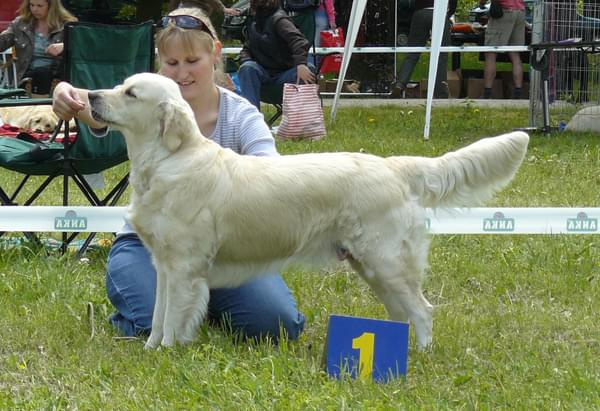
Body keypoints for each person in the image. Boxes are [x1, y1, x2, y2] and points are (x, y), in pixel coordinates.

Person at [52, 8, 305, 343]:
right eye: (171, 63)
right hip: (147, 246)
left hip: (228, 252)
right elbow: (97, 104)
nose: (181, 73)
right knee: (147, 321)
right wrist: (64, 91)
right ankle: (177, 306)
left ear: (215, 54)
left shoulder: (241, 116)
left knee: (275, 326)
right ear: (160, 63)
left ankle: (200, 301)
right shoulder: (144, 104)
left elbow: (272, 176)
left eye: (192, 60)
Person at [237, 0, 315, 109]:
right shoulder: (254, 22)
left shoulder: (279, 20)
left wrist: (301, 64)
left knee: (308, 69)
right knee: (247, 68)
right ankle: (251, 119)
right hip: (263, 73)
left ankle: (300, 121)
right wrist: (246, 60)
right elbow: (247, 48)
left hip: (285, 73)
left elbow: (299, 41)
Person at [0, 0, 76, 95]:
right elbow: (3, 41)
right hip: (26, 76)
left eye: (40, 6)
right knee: (40, 73)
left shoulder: (68, 25)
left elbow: (85, 49)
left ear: (51, 6)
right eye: (32, 5)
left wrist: (65, 46)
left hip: (57, 78)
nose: (35, 9)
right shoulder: (21, 23)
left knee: (42, 73)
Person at [395, 0, 457, 98]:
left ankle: (400, 84)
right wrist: (449, 13)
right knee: (441, 55)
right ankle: (440, 91)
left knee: (412, 53)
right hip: (439, 13)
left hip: (420, 13)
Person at [481, 0, 525, 99]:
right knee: (515, 54)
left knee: (490, 52)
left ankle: (487, 94)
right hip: (520, 11)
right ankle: (518, 93)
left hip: (504, 11)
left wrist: (482, 3)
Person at [312, 0, 336, 67]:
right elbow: (328, 2)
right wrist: (332, 19)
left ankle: (307, 71)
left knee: (308, 47)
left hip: (306, 16)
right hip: (320, 16)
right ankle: (314, 71)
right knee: (317, 48)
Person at [168, 0, 241, 17]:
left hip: (182, 11)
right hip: (199, 12)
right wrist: (224, 9)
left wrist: (171, 14)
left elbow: (173, 3)